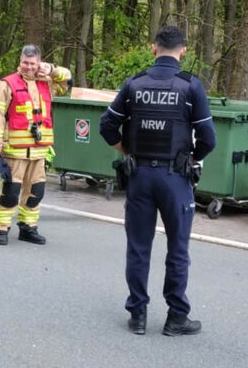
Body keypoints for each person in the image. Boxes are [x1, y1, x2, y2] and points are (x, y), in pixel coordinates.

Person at [99, 25, 216, 336]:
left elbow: (107, 125)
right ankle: (176, 317)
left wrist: (125, 150)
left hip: (139, 178)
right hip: (175, 179)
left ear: (153, 48)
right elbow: (209, 139)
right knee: (178, 249)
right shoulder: (191, 87)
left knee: (138, 247)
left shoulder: (135, 84)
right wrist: (191, 159)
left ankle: (137, 314)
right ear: (184, 50)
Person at [0, 44, 71, 245]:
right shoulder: (6, 84)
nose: (28, 67)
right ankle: (1, 228)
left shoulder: (48, 83)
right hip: (15, 151)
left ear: (39, 63)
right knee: (11, 192)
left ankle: (28, 228)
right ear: (20, 61)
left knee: (36, 192)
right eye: (25, 62)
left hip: (39, 150)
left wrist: (51, 70)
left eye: (33, 63)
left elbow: (67, 78)